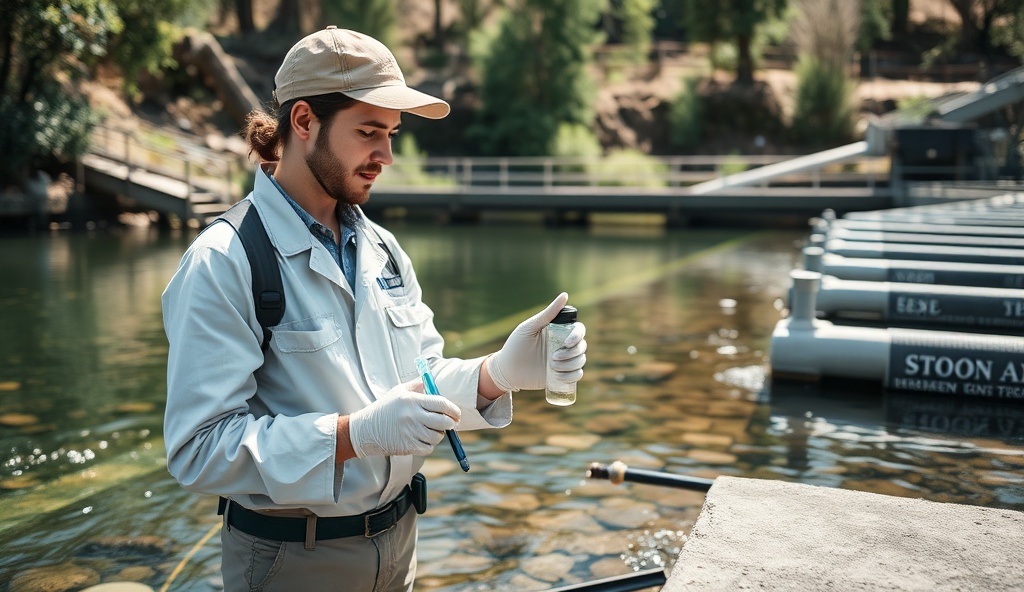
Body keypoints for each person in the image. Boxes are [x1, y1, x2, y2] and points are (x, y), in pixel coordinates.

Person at [161, 26, 587, 592]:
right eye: (369, 132)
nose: (386, 154)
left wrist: (496, 375)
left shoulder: (383, 248)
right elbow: (198, 450)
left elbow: (422, 384)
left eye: (390, 133)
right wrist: (350, 435)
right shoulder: (224, 260)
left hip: (400, 548)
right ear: (304, 122)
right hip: (292, 562)